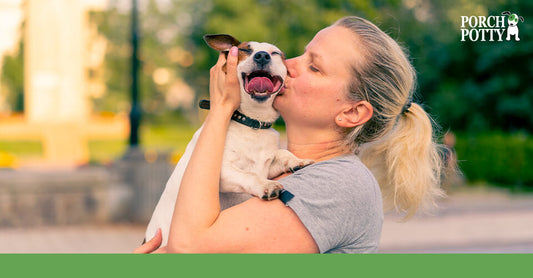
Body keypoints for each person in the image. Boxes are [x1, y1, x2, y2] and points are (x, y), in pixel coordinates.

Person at [134, 16, 444, 254]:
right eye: (300, 55)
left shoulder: (339, 185)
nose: (289, 65)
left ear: (351, 113)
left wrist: (220, 109)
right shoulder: (292, 171)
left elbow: (188, 249)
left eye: (314, 67)